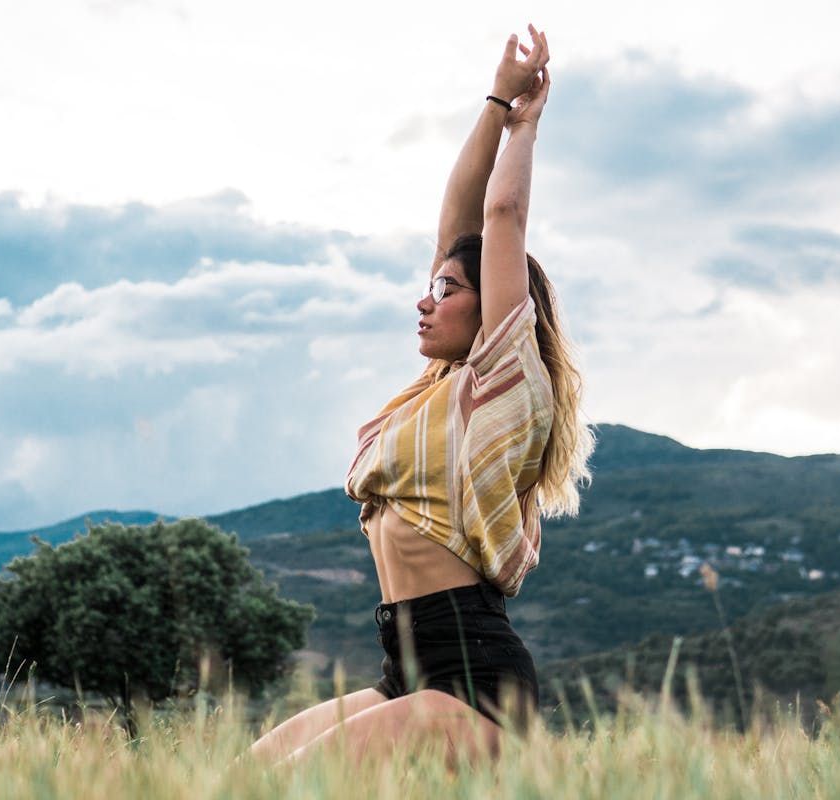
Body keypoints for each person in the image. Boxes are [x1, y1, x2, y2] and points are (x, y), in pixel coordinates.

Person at [246, 25, 594, 770]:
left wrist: (525, 129)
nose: (425, 300)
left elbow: (500, 219)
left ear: (492, 309)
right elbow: (460, 221)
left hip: (475, 681)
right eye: (432, 286)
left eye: (448, 289)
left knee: (294, 783)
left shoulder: (498, 384)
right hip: (406, 668)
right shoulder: (437, 390)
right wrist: (495, 102)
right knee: (247, 777)